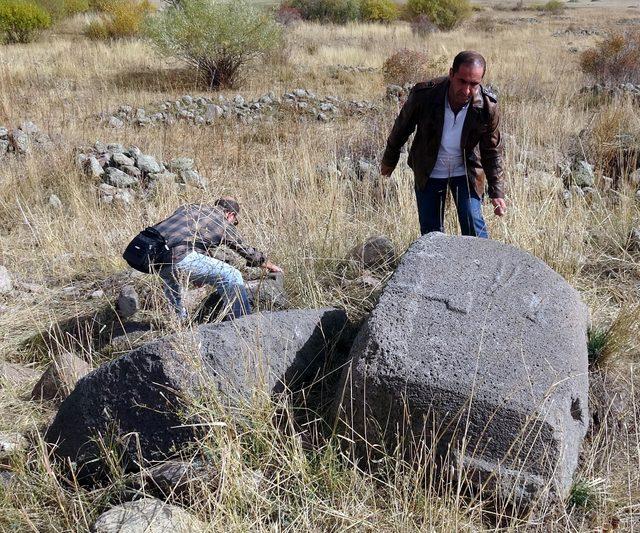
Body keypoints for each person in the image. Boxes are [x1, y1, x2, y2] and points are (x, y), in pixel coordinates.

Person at [380, 50, 506, 238]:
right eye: (462, 81)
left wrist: (497, 191)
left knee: (474, 224)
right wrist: (390, 159)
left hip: (466, 171)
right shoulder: (425, 95)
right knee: (432, 234)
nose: (466, 90)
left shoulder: (487, 107)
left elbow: (492, 150)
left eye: (474, 84)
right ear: (451, 73)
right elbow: (402, 128)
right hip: (429, 169)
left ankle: (479, 267)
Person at [152, 198, 282, 321]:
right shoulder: (222, 222)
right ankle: (242, 323)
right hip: (179, 257)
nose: (233, 223)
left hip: (155, 258)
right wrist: (269, 265)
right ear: (231, 214)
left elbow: (186, 236)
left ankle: (179, 321)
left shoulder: (191, 208)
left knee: (171, 279)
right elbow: (246, 251)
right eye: (235, 221)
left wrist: (198, 271)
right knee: (233, 275)